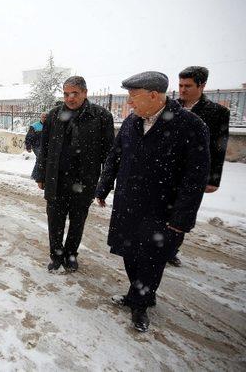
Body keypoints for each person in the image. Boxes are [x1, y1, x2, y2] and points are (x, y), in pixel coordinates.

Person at [95, 71, 210, 332]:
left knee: (151, 259)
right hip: (128, 204)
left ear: (154, 95)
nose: (129, 103)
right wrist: (103, 187)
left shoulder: (190, 125)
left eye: (133, 97)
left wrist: (181, 219)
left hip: (161, 209)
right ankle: (139, 292)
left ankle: (140, 304)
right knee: (128, 254)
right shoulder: (131, 123)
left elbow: (195, 178)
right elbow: (115, 157)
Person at [35, 76, 114, 272]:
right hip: (56, 179)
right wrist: (41, 175)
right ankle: (56, 255)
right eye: (66, 94)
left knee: (77, 221)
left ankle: (71, 255)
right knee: (55, 220)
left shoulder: (101, 117)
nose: (70, 98)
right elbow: (44, 148)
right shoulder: (54, 115)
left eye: (74, 94)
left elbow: (109, 154)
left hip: (84, 180)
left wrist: (104, 184)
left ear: (85, 93)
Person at [168, 66, 230, 267]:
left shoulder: (217, 113)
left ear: (202, 86)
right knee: (162, 209)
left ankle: (171, 250)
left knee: (183, 211)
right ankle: (157, 245)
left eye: (188, 86)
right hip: (166, 170)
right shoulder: (170, 108)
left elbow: (218, 148)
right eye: (180, 85)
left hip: (194, 173)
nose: (182, 90)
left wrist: (213, 179)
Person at [25, 112, 47, 180]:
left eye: (46, 117)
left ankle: (35, 175)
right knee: (40, 158)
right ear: (40, 117)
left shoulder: (49, 125)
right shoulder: (34, 126)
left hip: (45, 146)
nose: (44, 118)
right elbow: (29, 137)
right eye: (43, 117)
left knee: (40, 160)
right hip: (36, 146)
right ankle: (36, 175)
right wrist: (28, 146)